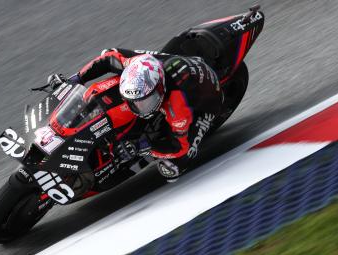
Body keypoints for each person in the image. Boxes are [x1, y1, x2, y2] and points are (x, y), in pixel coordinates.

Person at [48, 48, 223, 182]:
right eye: (133, 102)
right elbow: (108, 58)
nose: (138, 107)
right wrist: (76, 79)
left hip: (210, 100)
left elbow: (179, 146)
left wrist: (143, 146)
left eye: (144, 101)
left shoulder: (177, 109)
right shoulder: (137, 64)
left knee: (173, 167)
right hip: (165, 64)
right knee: (107, 56)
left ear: (160, 90)